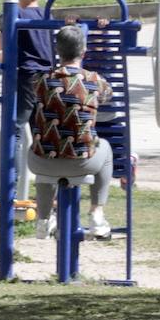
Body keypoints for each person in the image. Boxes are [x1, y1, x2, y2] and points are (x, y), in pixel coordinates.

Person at [30, 25, 115, 240]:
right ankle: (96, 212)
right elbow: (108, 96)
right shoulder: (95, 81)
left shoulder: (41, 81)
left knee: (43, 146)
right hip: (81, 161)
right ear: (83, 52)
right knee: (105, 148)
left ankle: (43, 218)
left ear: (57, 52)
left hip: (41, 162)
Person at [0, 0, 54, 163]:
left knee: (14, 128)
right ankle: (51, 184)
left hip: (27, 77)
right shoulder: (46, 14)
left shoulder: (17, 14)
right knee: (41, 131)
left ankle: (9, 187)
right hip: (48, 77)